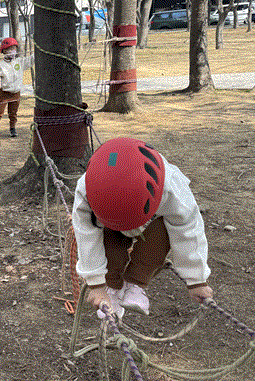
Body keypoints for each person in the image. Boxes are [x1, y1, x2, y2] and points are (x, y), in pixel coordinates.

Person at [71, 137, 214, 319]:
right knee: (109, 240)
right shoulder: (87, 188)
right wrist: (96, 284)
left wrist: (196, 280)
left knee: (162, 234)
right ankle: (111, 287)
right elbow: (86, 234)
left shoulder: (172, 188)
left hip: (153, 221)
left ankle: (135, 283)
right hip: (107, 223)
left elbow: (188, 228)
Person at [0, 37, 33, 139]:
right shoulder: (1, 66)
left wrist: (38, 53)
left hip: (15, 93)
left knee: (13, 113)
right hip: (4, 93)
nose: (13, 51)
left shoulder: (19, 62)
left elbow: (30, 60)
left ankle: (12, 129)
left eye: (14, 49)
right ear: (4, 51)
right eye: (10, 49)